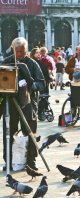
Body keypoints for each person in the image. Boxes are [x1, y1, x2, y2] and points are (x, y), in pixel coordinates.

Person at [1, 37, 45, 171]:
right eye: (17, 51)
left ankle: (31, 160)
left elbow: (41, 83)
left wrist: (30, 84)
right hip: (10, 102)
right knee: (9, 130)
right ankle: (9, 160)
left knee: (30, 131)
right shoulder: (6, 62)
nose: (19, 54)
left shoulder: (32, 63)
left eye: (22, 51)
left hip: (28, 102)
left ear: (26, 50)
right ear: (13, 50)